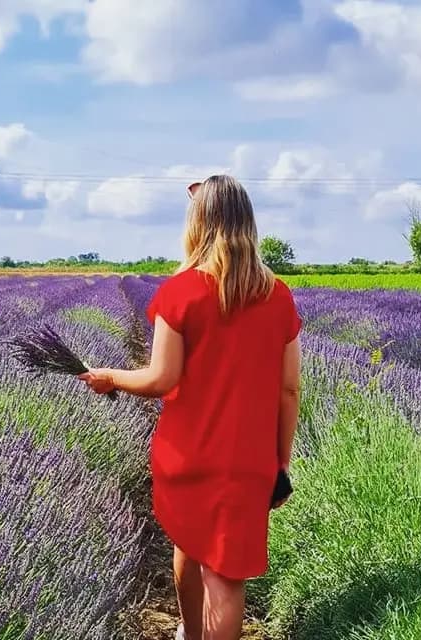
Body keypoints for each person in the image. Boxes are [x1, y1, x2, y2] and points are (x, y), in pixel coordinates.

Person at [78, 175, 302, 640]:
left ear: (198, 224)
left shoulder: (181, 293)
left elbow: (162, 379)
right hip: (248, 461)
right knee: (227, 574)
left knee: (189, 544)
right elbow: (288, 391)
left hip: (187, 455)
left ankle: (191, 634)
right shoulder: (278, 297)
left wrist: (110, 377)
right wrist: (280, 462)